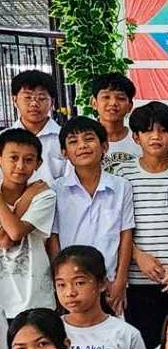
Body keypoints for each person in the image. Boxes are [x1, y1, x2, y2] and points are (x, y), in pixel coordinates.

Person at [113, 102, 168, 349]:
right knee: (148, 345)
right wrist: (138, 257)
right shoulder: (122, 173)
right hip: (139, 280)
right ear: (136, 137)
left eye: (163, 130)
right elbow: (116, 225)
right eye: (148, 131)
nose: (156, 137)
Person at [48, 115, 134, 314]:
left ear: (104, 146)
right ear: (64, 152)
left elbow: (126, 235)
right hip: (71, 285)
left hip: (109, 281)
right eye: (73, 142)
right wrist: (59, 281)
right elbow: (53, 239)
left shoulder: (121, 187)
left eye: (89, 139)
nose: (82, 146)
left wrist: (120, 280)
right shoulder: (56, 190)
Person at [55, 245, 153, 349]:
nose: (70, 292)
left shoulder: (126, 334)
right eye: (61, 285)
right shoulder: (51, 331)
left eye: (79, 283)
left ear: (101, 284)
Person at [0, 128, 55, 322]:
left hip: (36, 299)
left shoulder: (44, 195)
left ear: (38, 164)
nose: (20, 166)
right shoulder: (34, 194)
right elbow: (3, 240)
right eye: (13, 158)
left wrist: (29, 197)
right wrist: (26, 199)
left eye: (29, 160)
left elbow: (13, 234)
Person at [11, 69, 62, 183]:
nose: (34, 103)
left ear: (52, 103)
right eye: (28, 97)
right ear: (14, 100)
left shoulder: (64, 138)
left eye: (41, 98)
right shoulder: (3, 139)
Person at [91, 72, 140, 173]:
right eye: (106, 97)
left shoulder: (141, 141)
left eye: (120, 98)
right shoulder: (84, 142)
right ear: (94, 103)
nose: (113, 103)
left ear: (130, 106)